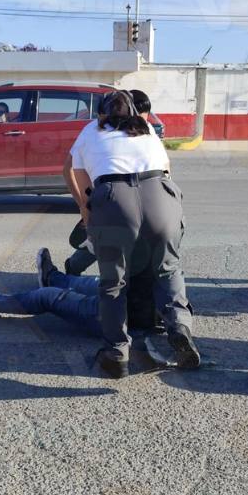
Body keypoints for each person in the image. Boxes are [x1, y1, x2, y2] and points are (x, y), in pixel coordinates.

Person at [68, 89, 198, 378]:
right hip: (161, 195)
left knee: (114, 281)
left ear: (102, 114)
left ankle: (116, 350)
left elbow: (78, 176)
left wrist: (88, 209)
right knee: (168, 269)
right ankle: (179, 328)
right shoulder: (147, 129)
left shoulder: (90, 131)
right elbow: (167, 168)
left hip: (115, 200)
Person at [62, 89, 162, 277]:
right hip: (109, 198)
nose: (143, 118)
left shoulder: (144, 131)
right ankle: (74, 269)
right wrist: (84, 204)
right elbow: (68, 169)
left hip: (122, 200)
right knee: (103, 240)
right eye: (141, 113)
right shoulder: (95, 130)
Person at [0, 247, 162, 337]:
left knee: (48, 297)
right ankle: (52, 277)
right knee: (87, 283)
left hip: (118, 314)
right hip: (127, 292)